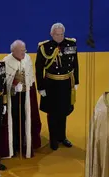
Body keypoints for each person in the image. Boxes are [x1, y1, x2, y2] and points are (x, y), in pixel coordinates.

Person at [35, 22, 79, 150]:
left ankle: (62, 136)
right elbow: (39, 69)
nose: (60, 37)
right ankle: (53, 138)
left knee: (64, 110)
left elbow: (75, 63)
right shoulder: (44, 47)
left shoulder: (71, 44)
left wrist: (76, 81)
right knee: (53, 112)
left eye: (61, 34)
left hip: (66, 83)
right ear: (51, 34)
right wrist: (41, 87)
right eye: (57, 34)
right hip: (51, 84)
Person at [1, 40, 42, 158]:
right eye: (21, 51)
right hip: (13, 99)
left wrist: (26, 87)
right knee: (14, 121)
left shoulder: (27, 59)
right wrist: (14, 85)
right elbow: (5, 83)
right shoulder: (6, 62)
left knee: (26, 119)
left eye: (24, 50)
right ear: (13, 51)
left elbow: (30, 78)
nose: (24, 53)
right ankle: (13, 146)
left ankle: (25, 144)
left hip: (26, 97)